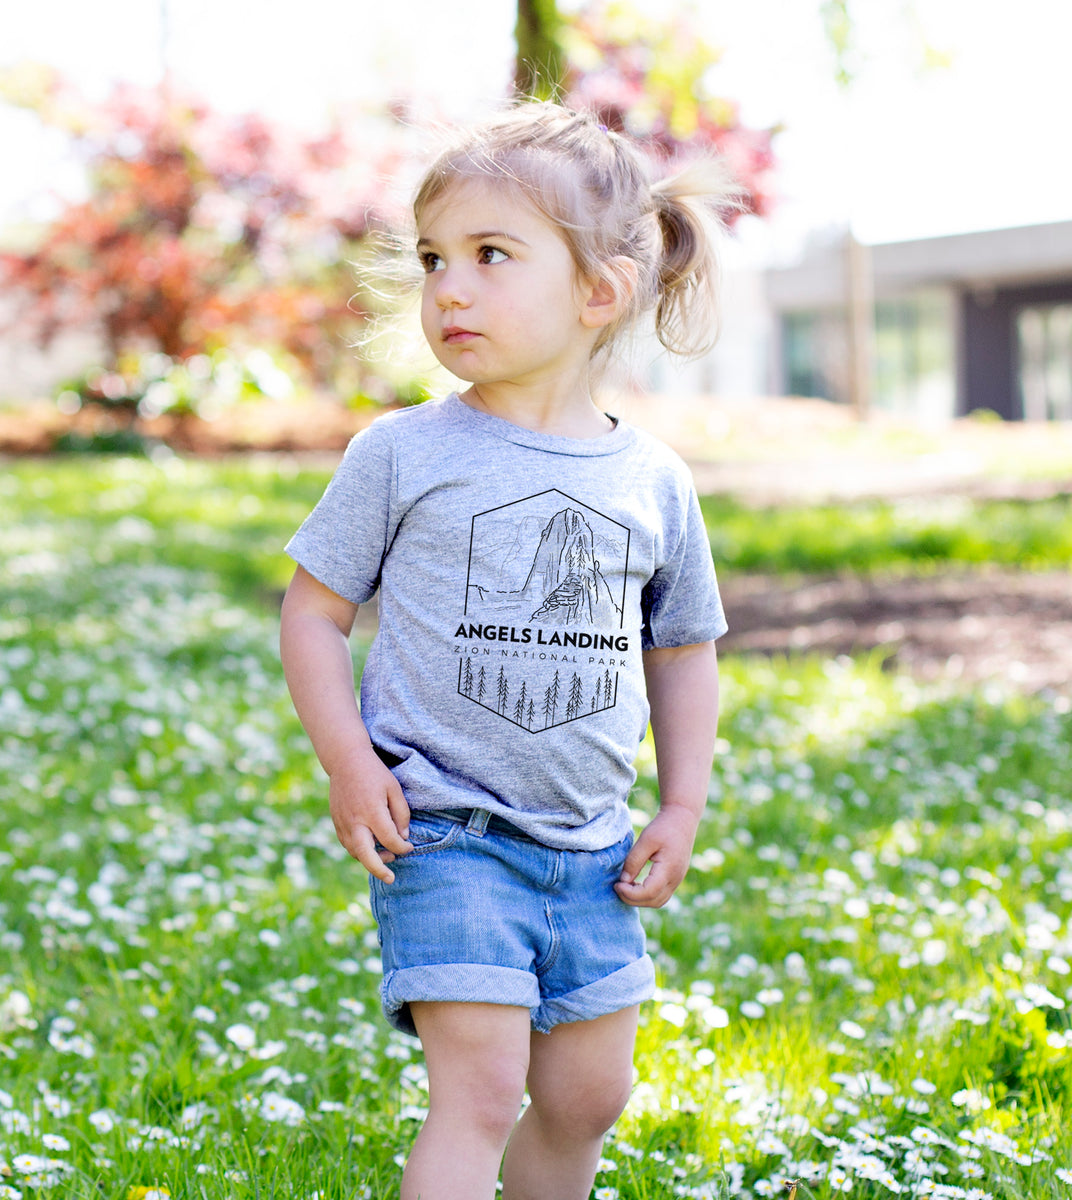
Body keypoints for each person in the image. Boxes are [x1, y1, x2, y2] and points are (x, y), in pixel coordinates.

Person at [279, 100, 733, 1200]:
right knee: (479, 1092)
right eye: (435, 258)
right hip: (447, 832)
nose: (449, 287)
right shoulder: (403, 452)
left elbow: (682, 652)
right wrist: (350, 762)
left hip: (594, 851)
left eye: (491, 255)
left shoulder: (653, 482)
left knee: (587, 1102)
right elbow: (313, 613)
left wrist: (679, 807)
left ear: (599, 291)